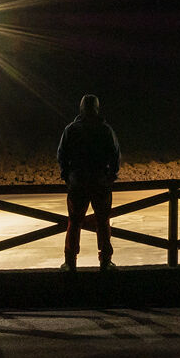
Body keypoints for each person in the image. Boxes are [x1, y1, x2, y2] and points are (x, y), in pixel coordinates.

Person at [57, 94, 120, 271]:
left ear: (81, 108)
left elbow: (61, 155)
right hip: (100, 181)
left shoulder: (71, 130)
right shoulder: (106, 130)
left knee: (74, 222)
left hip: (77, 181)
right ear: (97, 109)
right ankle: (105, 260)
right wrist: (111, 176)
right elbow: (115, 155)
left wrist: (67, 176)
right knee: (103, 221)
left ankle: (70, 261)